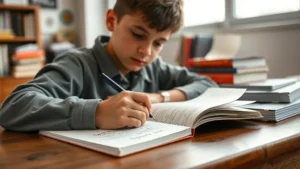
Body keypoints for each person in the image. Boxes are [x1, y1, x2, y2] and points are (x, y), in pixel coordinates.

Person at [0, 0, 217, 132]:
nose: (147, 51)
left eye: (158, 43)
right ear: (112, 21)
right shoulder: (77, 64)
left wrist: (160, 97)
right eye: (138, 34)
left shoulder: (152, 67)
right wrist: (96, 113)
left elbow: (206, 83)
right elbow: (13, 107)